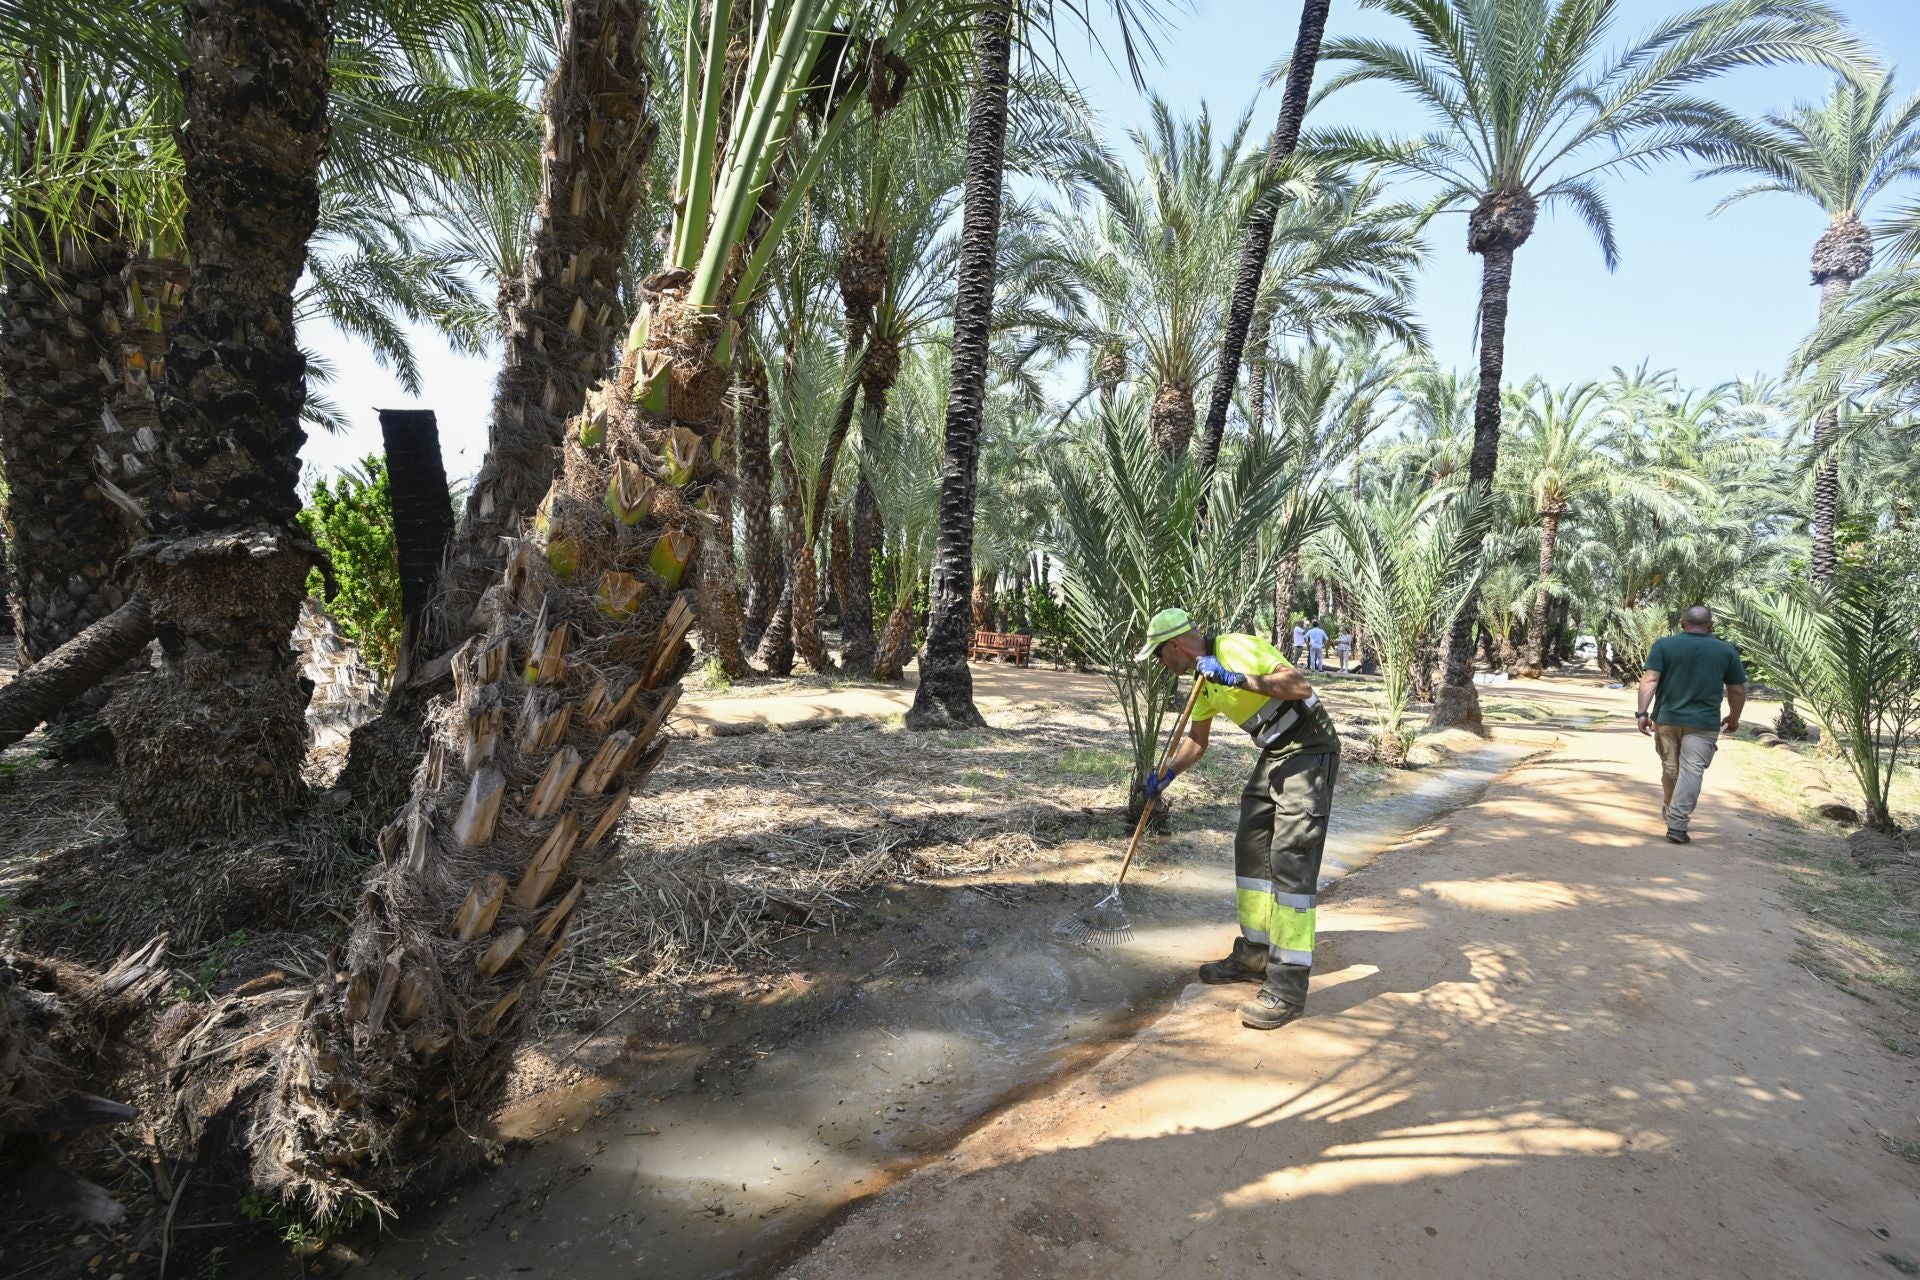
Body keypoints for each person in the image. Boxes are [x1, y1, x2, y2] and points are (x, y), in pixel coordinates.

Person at [1136, 607, 1342, 1030]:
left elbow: (1298, 685)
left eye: (1159, 655)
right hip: (1276, 754)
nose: (1161, 665)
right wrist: (1167, 775)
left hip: (1309, 748)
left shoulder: (1233, 649)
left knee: (1290, 860)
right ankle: (1254, 954)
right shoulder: (1202, 682)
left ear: (1175, 646)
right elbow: (1197, 741)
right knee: (1251, 849)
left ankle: (1286, 988)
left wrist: (1235, 677)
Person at [1635, 604, 1747, 844]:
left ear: (1682, 623)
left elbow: (1650, 679)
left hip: (1667, 719)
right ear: (1711, 625)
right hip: (1704, 722)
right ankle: (1675, 817)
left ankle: (1674, 818)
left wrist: (1642, 712)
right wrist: (1733, 717)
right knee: (1690, 771)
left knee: (1672, 770)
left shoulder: (1664, 645)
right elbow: (1736, 690)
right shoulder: (1726, 650)